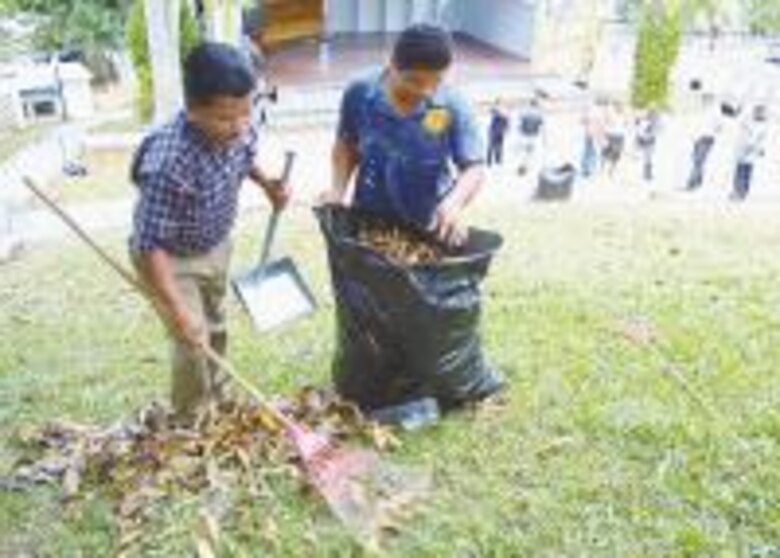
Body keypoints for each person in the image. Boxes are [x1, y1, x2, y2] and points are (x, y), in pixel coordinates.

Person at [129, 42, 291, 420]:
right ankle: (191, 416)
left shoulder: (241, 127)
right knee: (191, 338)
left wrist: (268, 185)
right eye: (224, 118)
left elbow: (246, 156)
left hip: (215, 242)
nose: (238, 127)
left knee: (216, 324)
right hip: (169, 257)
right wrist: (175, 310)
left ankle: (217, 392)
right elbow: (149, 243)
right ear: (193, 109)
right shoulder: (168, 159)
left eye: (245, 113)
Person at [321, 24, 486, 246]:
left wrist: (453, 204)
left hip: (427, 227)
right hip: (370, 221)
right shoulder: (360, 92)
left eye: (436, 82)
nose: (425, 91)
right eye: (414, 81)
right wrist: (337, 190)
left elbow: (474, 168)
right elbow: (346, 143)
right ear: (391, 64)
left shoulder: (451, 105)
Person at [730, 105, 767, 201]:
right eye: (757, 111)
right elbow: (741, 130)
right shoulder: (747, 121)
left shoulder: (762, 126)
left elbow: (760, 140)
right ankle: (737, 191)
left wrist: (760, 149)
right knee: (740, 172)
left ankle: (742, 192)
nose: (758, 114)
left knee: (745, 173)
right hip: (743, 152)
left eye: (760, 112)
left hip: (750, 154)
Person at [686, 93, 721, 190]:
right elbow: (695, 124)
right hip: (698, 138)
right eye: (704, 99)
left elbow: (719, 126)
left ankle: (692, 183)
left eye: (707, 99)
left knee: (698, 161)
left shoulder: (715, 111)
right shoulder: (700, 110)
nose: (705, 101)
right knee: (696, 160)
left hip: (707, 138)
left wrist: (713, 132)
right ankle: (698, 180)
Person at [516, 96, 544, 176]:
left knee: (523, 152)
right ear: (536, 105)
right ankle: (525, 167)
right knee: (529, 153)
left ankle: (522, 167)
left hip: (523, 135)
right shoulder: (538, 113)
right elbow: (541, 124)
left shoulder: (525, 111)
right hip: (532, 135)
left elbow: (520, 120)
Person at [580, 98, 605, 179]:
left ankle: (586, 169)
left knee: (587, 151)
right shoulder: (600, 112)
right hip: (596, 134)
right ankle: (591, 169)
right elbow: (602, 125)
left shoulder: (589, 112)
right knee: (594, 152)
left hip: (588, 134)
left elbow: (582, 121)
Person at [601, 102, 627, 178]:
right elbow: (606, 123)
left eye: (621, 107)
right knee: (606, 153)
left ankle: (611, 171)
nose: (620, 108)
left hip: (620, 136)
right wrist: (605, 133)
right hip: (611, 135)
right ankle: (602, 168)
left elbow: (626, 125)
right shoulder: (611, 114)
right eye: (618, 106)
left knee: (617, 155)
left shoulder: (623, 115)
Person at [486, 100, 509, 166]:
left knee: (495, 147)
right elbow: (506, 123)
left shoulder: (499, 114)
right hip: (496, 132)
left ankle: (495, 161)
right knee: (494, 147)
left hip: (496, 132)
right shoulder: (497, 113)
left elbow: (506, 123)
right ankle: (494, 161)